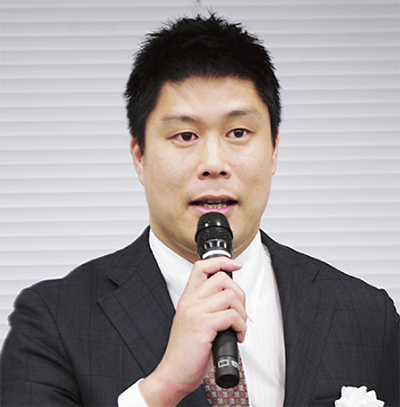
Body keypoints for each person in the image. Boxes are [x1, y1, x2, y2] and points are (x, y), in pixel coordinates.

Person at [1, 14, 399, 407]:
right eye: (185, 135)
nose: (213, 163)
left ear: (275, 148)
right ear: (139, 155)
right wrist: (161, 388)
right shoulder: (53, 321)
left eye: (238, 132)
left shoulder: (366, 316)